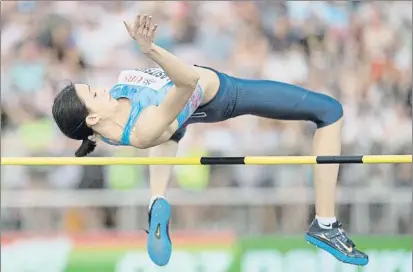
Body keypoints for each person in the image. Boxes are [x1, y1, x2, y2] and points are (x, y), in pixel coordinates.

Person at [52, 14, 369, 267]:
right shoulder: (141, 127)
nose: (102, 89)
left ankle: (156, 199)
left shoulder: (117, 117)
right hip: (221, 95)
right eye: (94, 94)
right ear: (92, 118)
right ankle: (325, 224)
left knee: (169, 128)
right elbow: (188, 81)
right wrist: (150, 49)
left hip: (165, 116)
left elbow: (150, 117)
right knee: (330, 111)